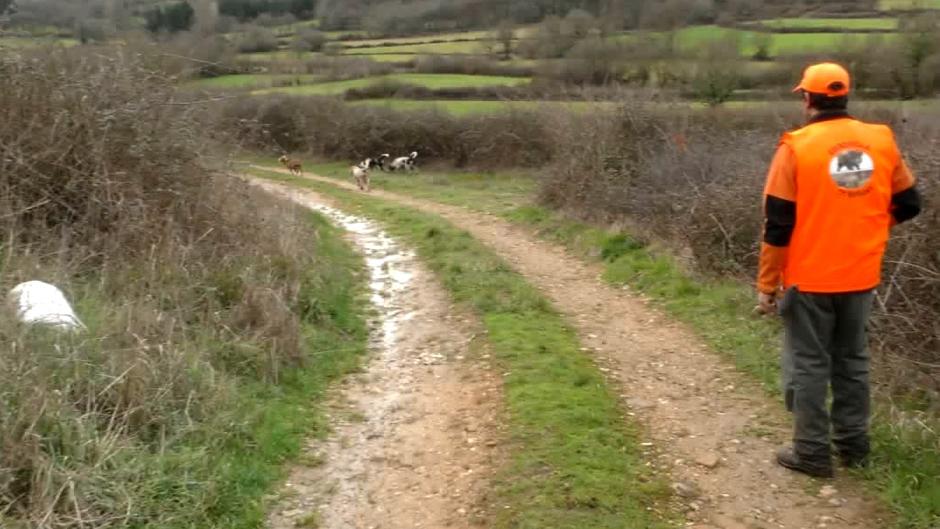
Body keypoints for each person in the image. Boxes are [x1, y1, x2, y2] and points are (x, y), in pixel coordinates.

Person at [756, 63, 922, 478]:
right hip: (861, 274)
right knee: (853, 360)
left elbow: (778, 224)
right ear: (845, 96)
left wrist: (767, 284)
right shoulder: (880, 140)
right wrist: (866, 228)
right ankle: (854, 449)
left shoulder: (795, 147)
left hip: (810, 278)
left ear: (807, 98)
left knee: (811, 363)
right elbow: (909, 204)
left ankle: (811, 453)